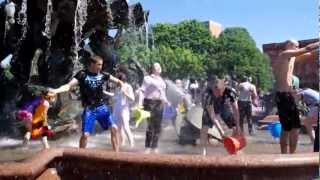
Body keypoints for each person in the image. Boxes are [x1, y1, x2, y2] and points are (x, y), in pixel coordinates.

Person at [50, 55, 123, 152]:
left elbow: (118, 82)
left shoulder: (103, 75)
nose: (100, 67)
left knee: (114, 128)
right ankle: (81, 154)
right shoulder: (82, 74)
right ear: (92, 64)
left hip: (101, 107)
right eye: (99, 65)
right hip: (89, 109)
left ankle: (116, 154)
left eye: (101, 65)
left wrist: (121, 88)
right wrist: (56, 90)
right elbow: (68, 86)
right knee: (85, 135)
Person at [272, 39, 319, 154]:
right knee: (286, 128)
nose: (297, 48)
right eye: (296, 46)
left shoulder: (292, 57)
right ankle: (284, 155)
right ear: (288, 45)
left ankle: (292, 155)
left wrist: (316, 52)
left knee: (296, 127)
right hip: (282, 96)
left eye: (298, 46)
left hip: (289, 96)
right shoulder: (284, 54)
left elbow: (308, 54)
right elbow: (307, 49)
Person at [200, 79, 241, 155]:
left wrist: (238, 125)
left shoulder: (230, 92)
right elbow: (212, 116)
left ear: (223, 89)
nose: (216, 94)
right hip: (210, 107)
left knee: (235, 126)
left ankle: (232, 147)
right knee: (204, 128)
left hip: (223, 105)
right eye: (215, 92)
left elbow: (236, 109)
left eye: (219, 92)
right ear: (213, 89)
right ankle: (203, 151)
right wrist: (221, 132)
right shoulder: (207, 94)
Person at [138, 62, 169, 154]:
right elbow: (142, 91)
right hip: (149, 103)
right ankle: (147, 147)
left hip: (159, 104)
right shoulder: (147, 79)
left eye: (159, 66)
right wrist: (139, 103)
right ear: (152, 69)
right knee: (150, 126)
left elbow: (163, 94)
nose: (158, 67)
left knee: (158, 126)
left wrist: (167, 102)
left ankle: (154, 147)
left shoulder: (162, 81)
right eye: (156, 66)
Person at [113, 72, 135, 147]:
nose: (115, 81)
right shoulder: (117, 88)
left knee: (126, 127)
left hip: (124, 109)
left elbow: (132, 99)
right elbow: (115, 97)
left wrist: (125, 93)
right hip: (117, 109)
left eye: (116, 80)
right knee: (119, 128)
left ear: (120, 80)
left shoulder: (128, 87)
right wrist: (105, 93)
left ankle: (132, 144)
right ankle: (122, 144)